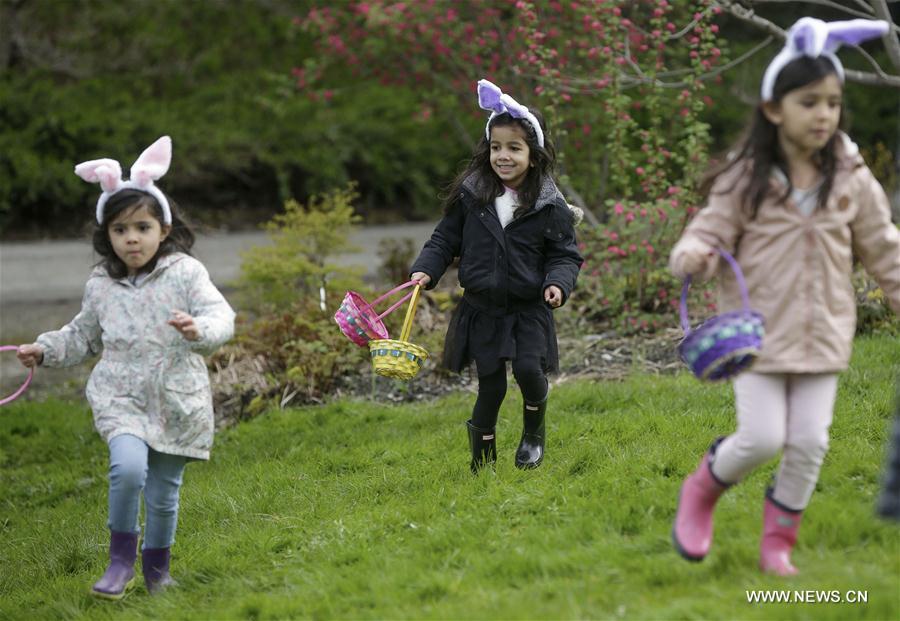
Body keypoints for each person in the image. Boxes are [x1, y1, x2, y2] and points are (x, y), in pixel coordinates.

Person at [668, 18, 899, 575]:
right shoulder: (748, 176)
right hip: (759, 336)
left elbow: (883, 245)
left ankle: (778, 543)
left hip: (824, 332)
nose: (824, 114)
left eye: (833, 102)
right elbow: (707, 230)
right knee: (764, 437)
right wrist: (691, 255)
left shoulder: (851, 176)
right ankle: (702, 489)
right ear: (774, 109)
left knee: (809, 443)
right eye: (809, 102)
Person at [17, 136, 235, 598]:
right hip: (122, 398)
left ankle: (158, 573)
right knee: (128, 469)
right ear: (107, 236)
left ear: (164, 228)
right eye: (120, 230)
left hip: (178, 400)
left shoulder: (186, 273)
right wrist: (45, 350)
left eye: (141, 227)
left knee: (162, 493)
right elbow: (83, 334)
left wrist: (199, 329)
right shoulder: (101, 285)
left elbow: (222, 317)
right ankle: (119, 563)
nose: (131, 238)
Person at [409, 79, 582, 473]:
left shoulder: (548, 205)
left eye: (514, 148)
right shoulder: (473, 196)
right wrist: (425, 270)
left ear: (533, 156)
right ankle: (482, 459)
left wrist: (557, 283)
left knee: (527, 370)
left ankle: (533, 431)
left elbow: (565, 255)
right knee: (490, 383)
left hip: (527, 309)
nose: (503, 156)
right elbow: (444, 239)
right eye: (496, 147)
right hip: (481, 308)